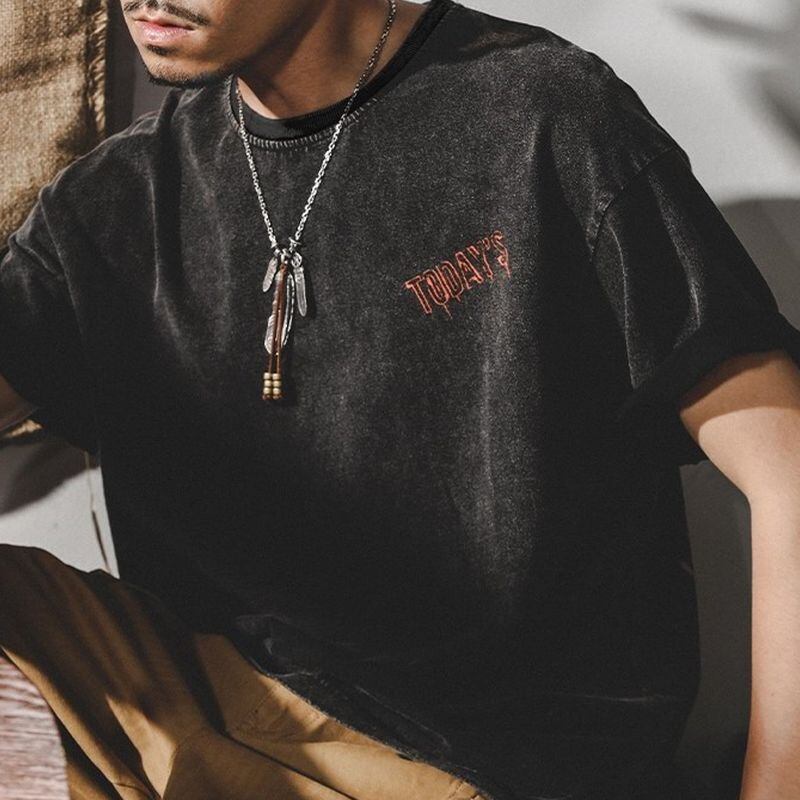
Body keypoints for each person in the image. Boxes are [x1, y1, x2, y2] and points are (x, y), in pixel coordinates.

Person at [2, 0, 800, 798]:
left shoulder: (539, 113)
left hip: (471, 759)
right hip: (201, 708)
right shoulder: (115, 199)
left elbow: (787, 471)